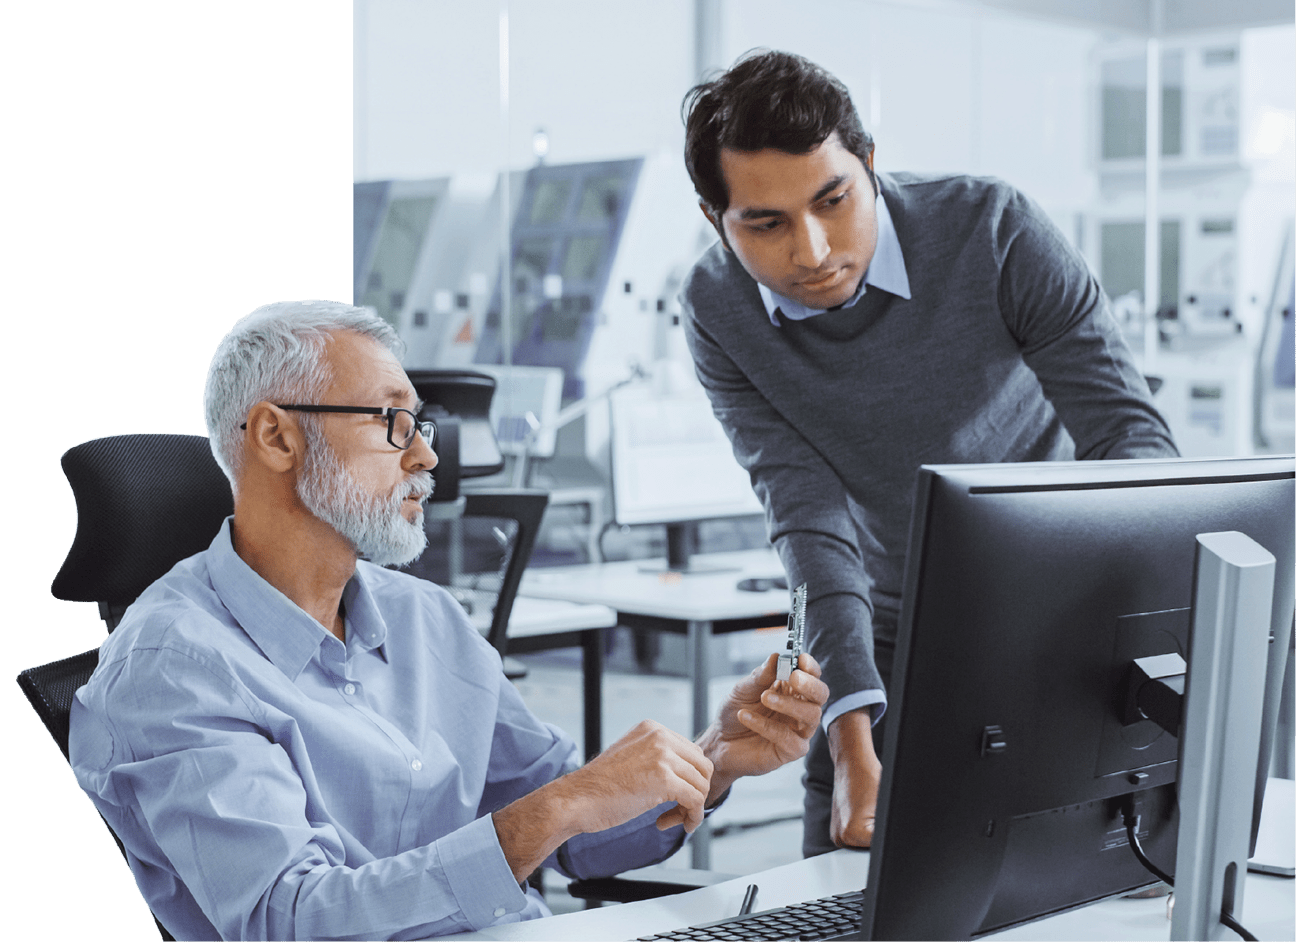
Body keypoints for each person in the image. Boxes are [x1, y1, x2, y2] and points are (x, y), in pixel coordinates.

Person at [69, 300, 829, 941]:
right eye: (392, 421)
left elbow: (571, 835)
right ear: (276, 436)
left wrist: (714, 762)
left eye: (420, 422)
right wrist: (552, 810)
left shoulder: (424, 617)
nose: (427, 455)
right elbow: (290, 918)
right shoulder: (174, 668)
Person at [678, 50, 1178, 858]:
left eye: (833, 200)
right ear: (715, 219)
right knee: (843, 893)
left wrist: (1133, 630)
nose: (811, 251)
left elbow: (1129, 437)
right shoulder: (715, 308)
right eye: (764, 224)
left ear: (869, 166)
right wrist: (851, 742)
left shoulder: (991, 228)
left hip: (1064, 611)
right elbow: (809, 524)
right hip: (886, 635)